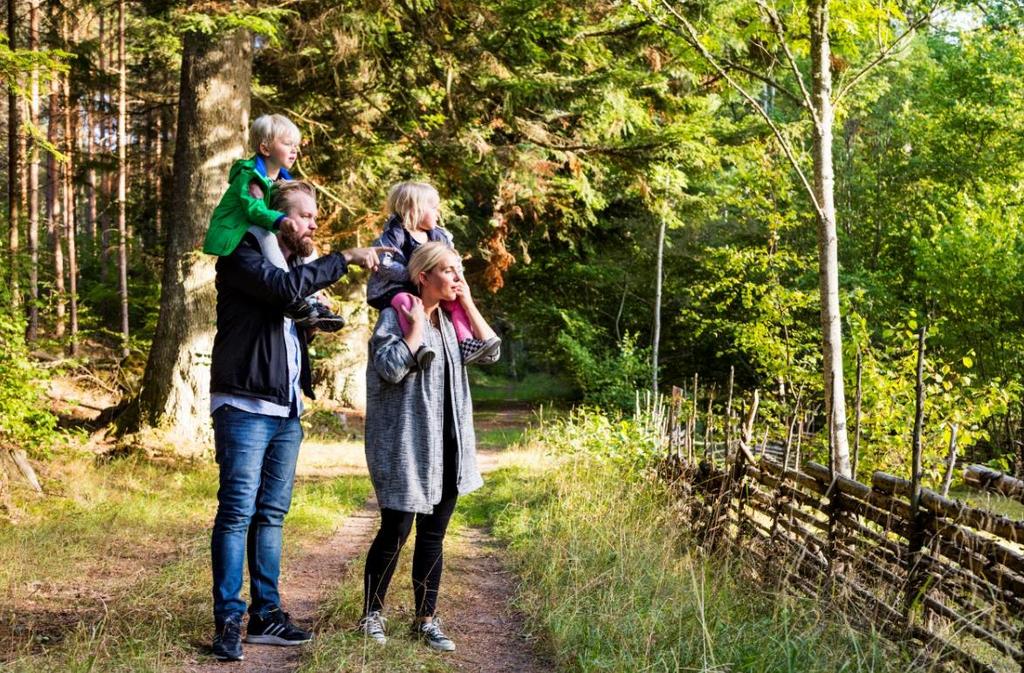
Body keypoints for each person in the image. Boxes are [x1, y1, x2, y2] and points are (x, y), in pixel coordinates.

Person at [207, 180, 395, 662]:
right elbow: (286, 290)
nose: (313, 224)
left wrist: (307, 324)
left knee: (271, 514)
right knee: (236, 513)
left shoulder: (287, 264)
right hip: (244, 405)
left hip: (286, 408)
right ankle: (228, 620)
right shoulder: (242, 252)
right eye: (306, 215)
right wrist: (346, 257)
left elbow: (286, 310)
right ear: (277, 218)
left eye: (315, 216)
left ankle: (265, 616)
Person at [359, 241, 500, 652]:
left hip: (450, 446)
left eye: (460, 271)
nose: (458, 279)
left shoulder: (453, 326)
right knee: (396, 530)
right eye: (450, 272)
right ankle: (371, 614)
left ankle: (425, 619)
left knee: (434, 535)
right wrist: (416, 326)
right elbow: (388, 368)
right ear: (424, 277)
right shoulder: (395, 315)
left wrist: (468, 301)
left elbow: (490, 352)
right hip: (409, 445)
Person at [202, 113, 343, 331]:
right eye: (287, 144)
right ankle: (290, 296)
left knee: (305, 242)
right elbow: (254, 209)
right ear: (266, 149)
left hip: (262, 225)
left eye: (296, 145)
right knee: (267, 235)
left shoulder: (284, 179)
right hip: (238, 229)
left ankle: (313, 300)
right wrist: (280, 220)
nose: (294, 150)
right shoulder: (249, 176)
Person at [366, 181, 500, 365]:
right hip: (394, 290)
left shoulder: (438, 236)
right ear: (414, 210)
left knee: (456, 305)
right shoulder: (395, 234)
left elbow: (453, 260)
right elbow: (383, 263)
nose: (439, 213)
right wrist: (410, 274)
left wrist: (465, 296)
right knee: (407, 302)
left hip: (420, 289)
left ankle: (467, 342)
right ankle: (417, 346)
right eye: (434, 208)